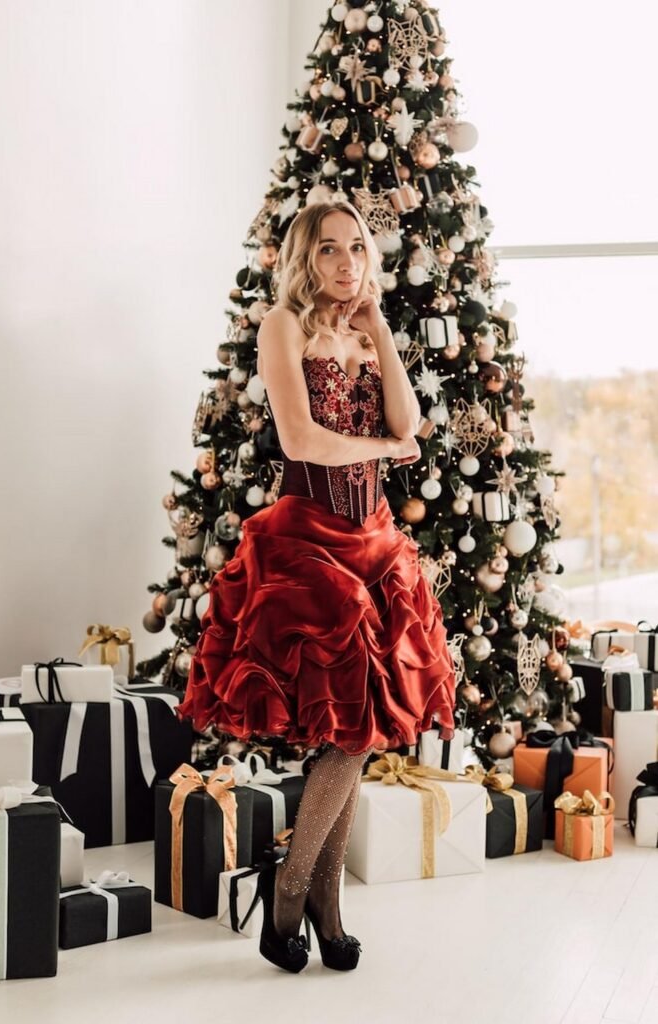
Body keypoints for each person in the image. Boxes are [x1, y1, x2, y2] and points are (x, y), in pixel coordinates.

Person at [177, 199, 456, 974]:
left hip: (374, 542)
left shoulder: (365, 329)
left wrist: (383, 331)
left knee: (359, 730)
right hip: (309, 540)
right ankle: (295, 889)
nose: (344, 263)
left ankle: (320, 898)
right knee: (348, 732)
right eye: (329, 250)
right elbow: (300, 439)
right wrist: (387, 445)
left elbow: (410, 421)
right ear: (304, 258)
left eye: (357, 249)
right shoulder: (283, 327)